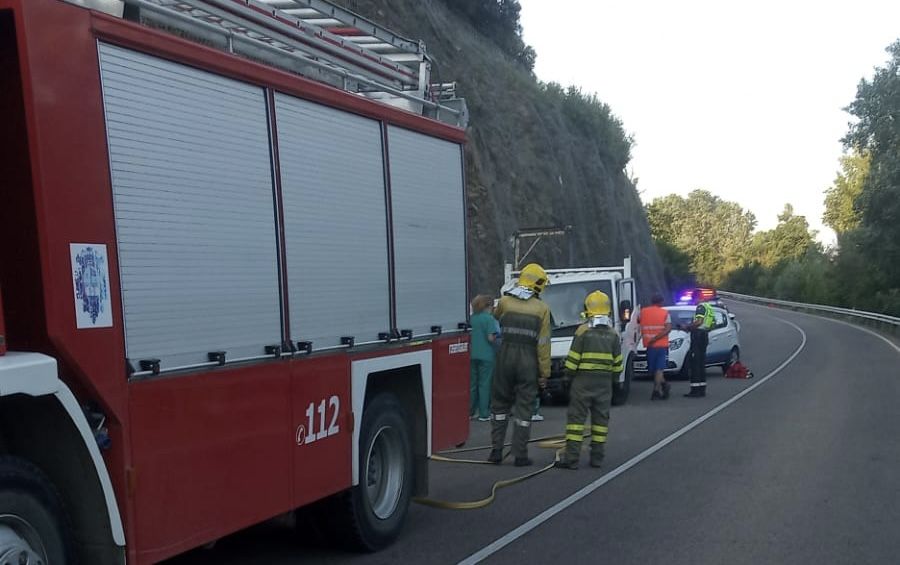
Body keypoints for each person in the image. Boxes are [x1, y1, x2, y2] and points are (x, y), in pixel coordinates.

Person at [488, 263, 551, 467]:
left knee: (499, 405)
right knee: (524, 409)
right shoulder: (542, 309)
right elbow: (543, 344)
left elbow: (494, 321)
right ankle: (520, 455)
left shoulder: (505, 301)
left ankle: (496, 451)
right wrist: (544, 373)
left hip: (505, 356)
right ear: (537, 284)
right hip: (528, 360)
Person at [554, 291, 623, 469]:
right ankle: (597, 458)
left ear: (588, 309)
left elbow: (573, 358)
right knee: (600, 422)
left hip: (582, 381)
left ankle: (572, 459)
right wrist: (615, 382)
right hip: (605, 383)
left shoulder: (582, 331)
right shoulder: (613, 334)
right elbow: (617, 363)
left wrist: (567, 376)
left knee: (576, 422)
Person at [638, 293, 672, 400]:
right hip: (661, 345)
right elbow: (667, 329)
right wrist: (656, 338)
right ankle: (662, 386)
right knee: (659, 369)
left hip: (649, 345)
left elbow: (637, 322)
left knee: (654, 369)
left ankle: (657, 390)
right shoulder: (665, 313)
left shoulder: (643, 312)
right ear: (661, 302)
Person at [469, 295, 497, 421]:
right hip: (486, 355)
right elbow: (491, 338)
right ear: (487, 306)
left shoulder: (471, 319)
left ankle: (470, 411)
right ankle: (484, 413)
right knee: (484, 384)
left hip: (471, 354)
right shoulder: (489, 319)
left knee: (472, 384)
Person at [684, 291, 715, 397]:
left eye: (693, 299)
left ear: (697, 297)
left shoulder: (700, 307)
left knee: (695, 363)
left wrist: (688, 327)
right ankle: (701, 388)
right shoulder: (709, 307)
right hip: (704, 335)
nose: (693, 302)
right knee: (701, 363)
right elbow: (713, 323)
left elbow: (699, 322)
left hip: (698, 335)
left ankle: (695, 390)